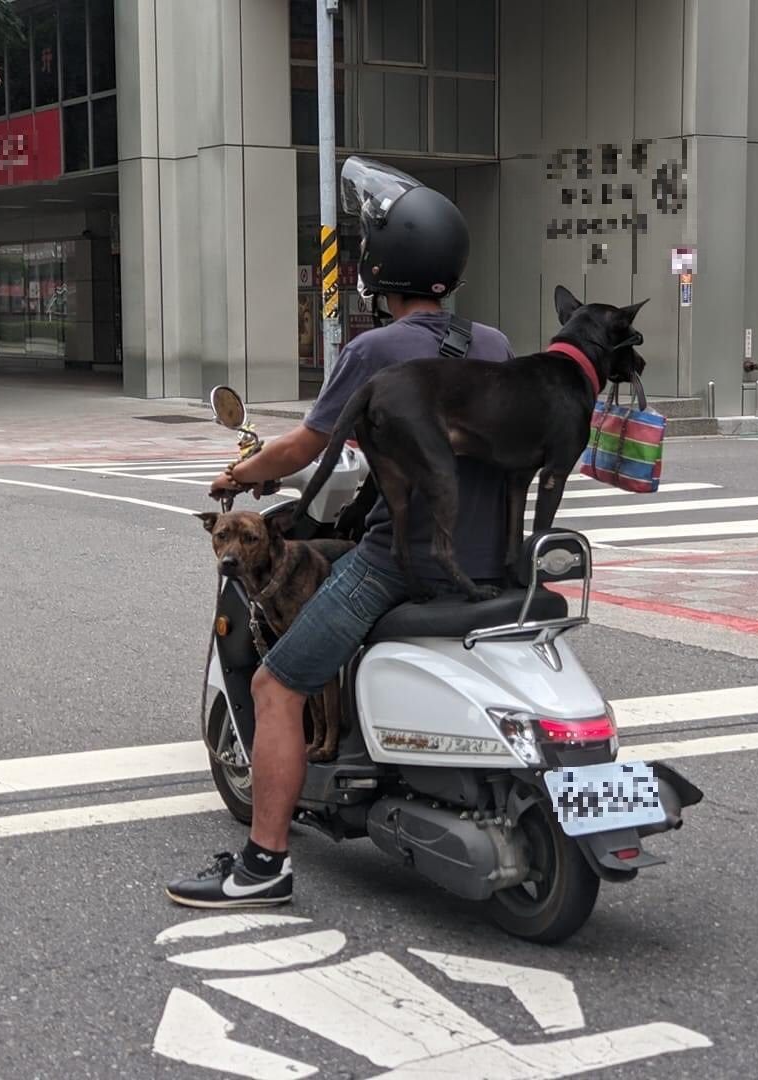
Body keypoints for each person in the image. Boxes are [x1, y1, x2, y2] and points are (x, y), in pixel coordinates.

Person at [166, 158, 514, 909]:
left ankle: (263, 866)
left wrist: (236, 476)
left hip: (401, 564)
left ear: (380, 264)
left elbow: (304, 447)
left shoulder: (375, 350)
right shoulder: (494, 345)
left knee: (276, 683)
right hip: (495, 561)